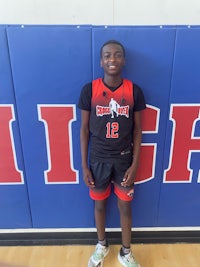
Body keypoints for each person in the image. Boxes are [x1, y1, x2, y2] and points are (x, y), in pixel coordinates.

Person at [78, 40, 146, 267]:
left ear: (124, 61)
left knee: (125, 205)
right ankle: (102, 244)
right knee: (99, 205)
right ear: (101, 61)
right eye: (107, 55)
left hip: (124, 158)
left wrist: (135, 164)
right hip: (98, 158)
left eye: (117, 55)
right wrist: (85, 166)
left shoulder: (134, 90)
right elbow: (84, 130)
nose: (112, 59)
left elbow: (138, 130)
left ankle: (126, 252)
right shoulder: (90, 89)